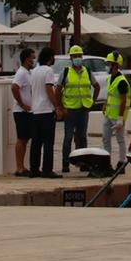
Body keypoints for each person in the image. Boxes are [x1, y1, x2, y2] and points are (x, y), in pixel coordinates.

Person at [55, 43, 97, 174]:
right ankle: (65, 163)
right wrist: (61, 108)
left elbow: (97, 86)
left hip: (84, 108)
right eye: (75, 56)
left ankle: (83, 162)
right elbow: (57, 90)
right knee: (68, 137)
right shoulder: (66, 72)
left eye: (79, 56)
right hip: (70, 110)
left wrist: (92, 102)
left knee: (82, 137)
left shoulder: (87, 71)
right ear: (71, 58)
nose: (77, 58)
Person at [28, 46, 60, 178]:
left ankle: (34, 169)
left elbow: (32, 90)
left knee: (36, 142)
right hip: (46, 110)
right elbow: (49, 89)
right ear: (50, 57)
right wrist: (57, 106)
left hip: (35, 111)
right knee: (48, 142)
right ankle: (47, 169)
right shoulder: (48, 71)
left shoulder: (34, 71)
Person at [102, 51, 131, 169]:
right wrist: (105, 104)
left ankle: (121, 163)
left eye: (109, 63)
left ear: (115, 64)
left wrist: (120, 118)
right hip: (108, 115)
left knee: (120, 140)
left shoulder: (121, 81)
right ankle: (106, 162)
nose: (107, 66)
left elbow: (123, 101)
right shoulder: (110, 78)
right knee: (105, 139)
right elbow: (110, 94)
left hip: (117, 117)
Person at [9, 49, 35, 177]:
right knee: (21, 138)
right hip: (21, 111)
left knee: (25, 139)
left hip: (28, 111)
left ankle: (22, 166)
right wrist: (22, 104)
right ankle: (19, 167)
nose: (33, 60)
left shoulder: (28, 73)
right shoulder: (22, 73)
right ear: (26, 59)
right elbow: (14, 87)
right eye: (32, 58)